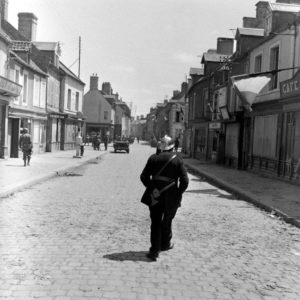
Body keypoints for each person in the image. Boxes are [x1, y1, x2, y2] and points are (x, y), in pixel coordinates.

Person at [140, 135, 189, 261]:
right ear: (172, 146)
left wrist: (153, 188)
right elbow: (185, 181)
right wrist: (178, 193)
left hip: (155, 196)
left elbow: (143, 177)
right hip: (171, 197)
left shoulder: (153, 158)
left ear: (161, 146)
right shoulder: (178, 159)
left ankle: (154, 251)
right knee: (167, 220)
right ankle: (165, 244)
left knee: (155, 222)